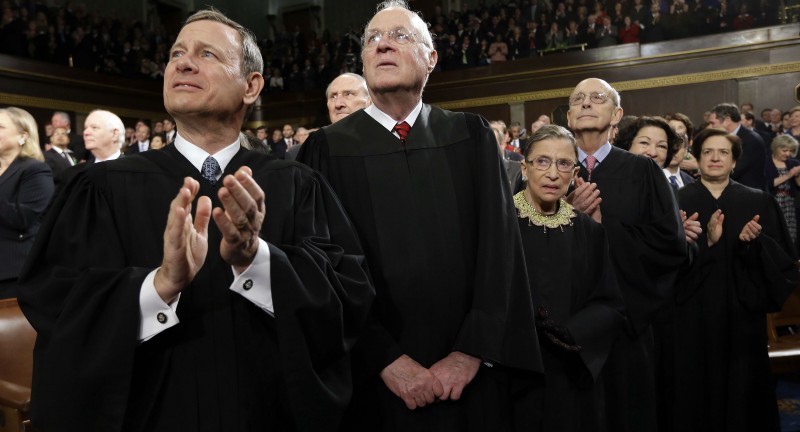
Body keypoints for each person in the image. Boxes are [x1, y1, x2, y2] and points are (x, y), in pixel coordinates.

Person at [18, 8, 373, 432]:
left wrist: (255, 259)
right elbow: (55, 301)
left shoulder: (297, 184)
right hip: (150, 412)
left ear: (251, 85)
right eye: (176, 54)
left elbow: (346, 297)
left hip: (268, 413)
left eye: (207, 54)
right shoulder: (102, 186)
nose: (183, 63)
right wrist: (159, 285)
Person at [298, 1, 543, 430]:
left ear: (431, 58)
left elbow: (500, 251)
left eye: (400, 36)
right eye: (372, 39)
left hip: (468, 377)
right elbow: (324, 265)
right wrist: (385, 359)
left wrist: (471, 351)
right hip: (372, 379)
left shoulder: (470, 136)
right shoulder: (324, 150)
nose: (382, 45)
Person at [566, 78, 686, 432]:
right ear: (569, 115)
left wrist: (604, 227)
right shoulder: (547, 169)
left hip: (625, 322)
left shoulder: (643, 171)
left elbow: (669, 244)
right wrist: (565, 217)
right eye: (578, 99)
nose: (586, 103)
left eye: (597, 98)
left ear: (616, 114)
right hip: (562, 322)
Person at [674, 128, 799, 432]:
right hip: (691, 314)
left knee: (744, 390)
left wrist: (751, 245)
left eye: (723, 153)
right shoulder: (676, 201)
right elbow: (659, 261)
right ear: (697, 158)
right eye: (707, 152)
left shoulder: (759, 201)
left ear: (734, 163)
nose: (715, 158)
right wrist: (704, 244)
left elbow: (782, 264)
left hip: (743, 313)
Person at [513, 125, 625, 431]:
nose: (552, 173)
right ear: (525, 168)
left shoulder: (590, 231)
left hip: (573, 369)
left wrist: (572, 332)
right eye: (542, 161)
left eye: (563, 163)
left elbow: (610, 302)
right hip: (514, 372)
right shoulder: (499, 225)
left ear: (574, 172)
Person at [0, 107, 54, 299]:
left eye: (0, 127)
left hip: (12, 272)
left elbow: (25, 218)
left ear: (23, 136)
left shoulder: (35, 170)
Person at [708, 103, 768, 191]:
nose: (710, 127)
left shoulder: (751, 140)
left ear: (727, 121)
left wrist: (699, 167)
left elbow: (734, 171)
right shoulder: (725, 138)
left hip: (750, 196)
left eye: (712, 123)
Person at [766, 134, 800, 247]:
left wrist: (798, 175)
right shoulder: (765, 161)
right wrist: (789, 174)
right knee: (774, 233)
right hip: (772, 202)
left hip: (790, 203)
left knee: (791, 234)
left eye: (791, 151)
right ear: (776, 148)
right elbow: (768, 184)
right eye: (785, 150)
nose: (788, 154)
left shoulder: (794, 163)